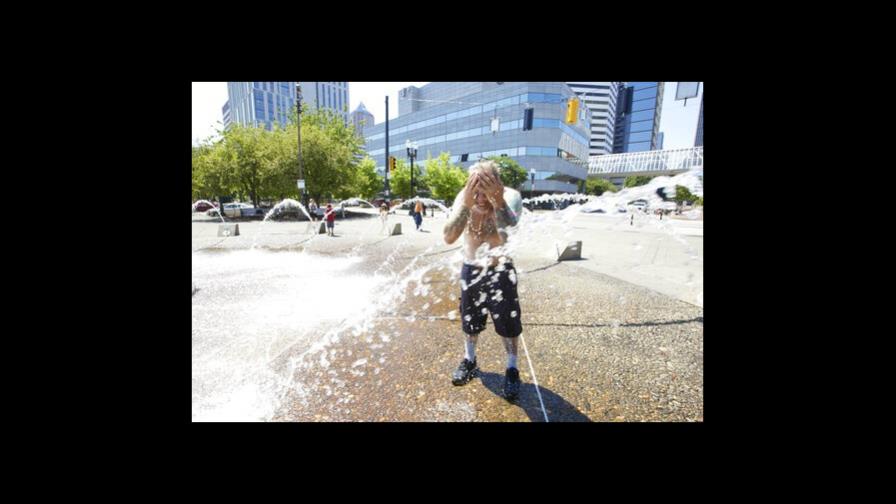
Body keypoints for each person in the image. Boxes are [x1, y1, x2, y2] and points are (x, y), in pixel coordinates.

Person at [443, 160, 524, 401]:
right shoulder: (464, 198)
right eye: (475, 187)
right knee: (470, 320)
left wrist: (496, 200)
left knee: (508, 324)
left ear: (497, 183)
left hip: (501, 271)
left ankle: (511, 368)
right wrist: (466, 205)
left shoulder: (511, 197)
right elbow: (448, 237)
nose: (480, 196)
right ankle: (470, 360)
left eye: (486, 187)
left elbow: (508, 230)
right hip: (471, 269)